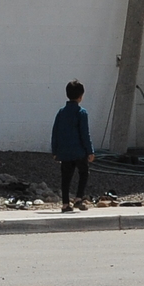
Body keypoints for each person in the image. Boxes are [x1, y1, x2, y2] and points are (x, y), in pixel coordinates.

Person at [51, 80, 93, 211]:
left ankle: (65, 204)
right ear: (81, 96)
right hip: (79, 151)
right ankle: (79, 198)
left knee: (66, 178)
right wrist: (90, 151)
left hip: (64, 152)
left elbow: (55, 132)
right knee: (84, 173)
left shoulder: (61, 112)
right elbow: (85, 134)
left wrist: (55, 150)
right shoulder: (81, 113)